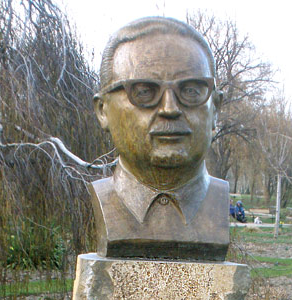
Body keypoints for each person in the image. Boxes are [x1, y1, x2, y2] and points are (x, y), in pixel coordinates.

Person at [90, 17, 229, 261]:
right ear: (103, 110)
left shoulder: (217, 206)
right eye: (144, 92)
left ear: (215, 108)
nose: (169, 108)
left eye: (191, 91)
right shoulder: (105, 203)